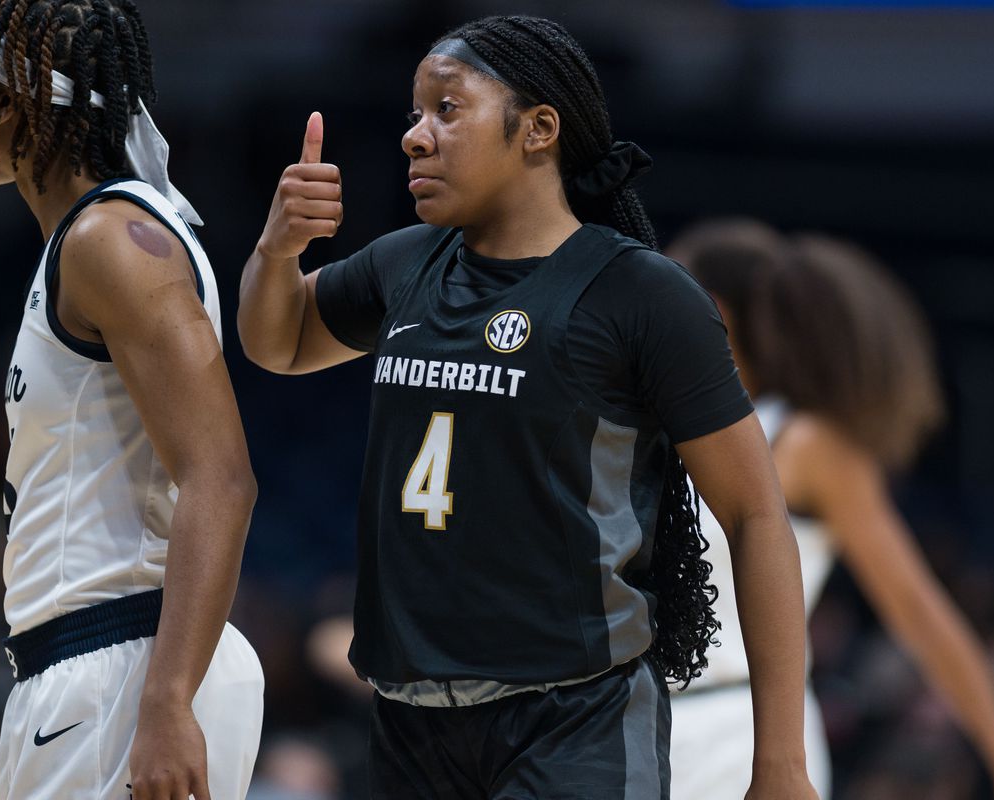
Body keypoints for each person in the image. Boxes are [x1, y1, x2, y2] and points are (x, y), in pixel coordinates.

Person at [239, 15, 818, 800]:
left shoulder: (640, 294)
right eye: (415, 114)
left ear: (538, 129)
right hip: (410, 722)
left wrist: (780, 764)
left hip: (575, 717)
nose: (415, 136)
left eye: (447, 108)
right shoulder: (404, 262)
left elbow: (755, 514)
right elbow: (275, 343)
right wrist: (276, 250)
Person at [0, 1, 263, 797]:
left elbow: (221, 477)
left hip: (121, 667)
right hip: (110, 665)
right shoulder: (102, 238)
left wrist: (165, 701)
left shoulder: (108, 240)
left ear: (15, 105)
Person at [666, 219, 994, 800]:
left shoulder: (806, 443)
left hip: (742, 732)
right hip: (633, 723)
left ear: (716, 311)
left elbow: (918, 609)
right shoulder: (662, 426)